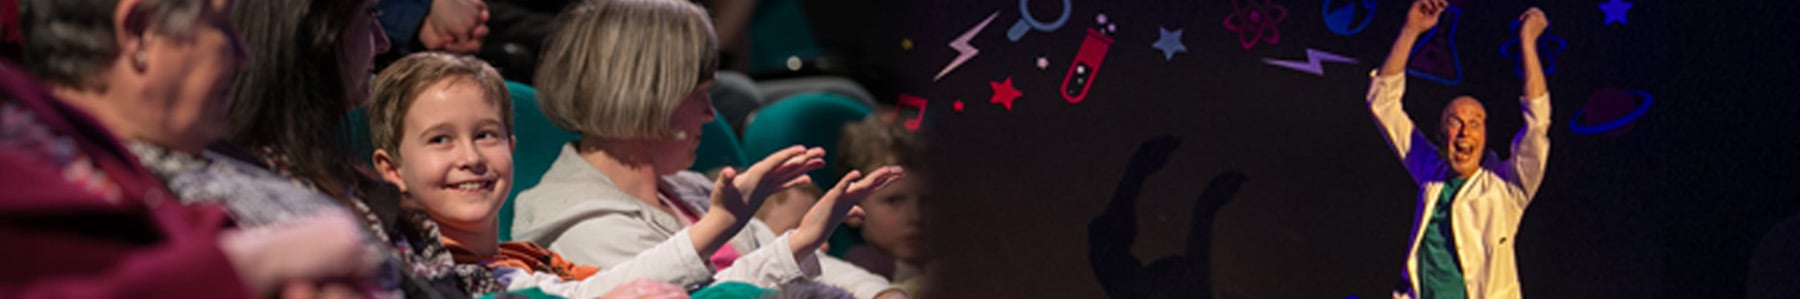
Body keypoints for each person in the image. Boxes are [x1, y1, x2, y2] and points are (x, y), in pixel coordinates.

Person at [511, 0, 907, 298]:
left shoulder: (687, 189)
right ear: (646, 98)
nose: (710, 113)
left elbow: (809, 265)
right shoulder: (580, 224)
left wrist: (882, 293)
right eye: (699, 95)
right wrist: (793, 244)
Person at [8, 0, 376, 296]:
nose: (243, 55)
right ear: (139, 32)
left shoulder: (105, 160)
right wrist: (248, 268)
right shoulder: (27, 163)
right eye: (221, 25)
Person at [225, 0, 485, 296]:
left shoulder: (330, 177)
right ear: (315, 32)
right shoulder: (271, 201)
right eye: (369, 14)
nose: (384, 42)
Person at [1368, 1, 1552, 298]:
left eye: (1475, 123)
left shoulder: (1506, 188)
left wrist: (1528, 42)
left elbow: (1537, 125)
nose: (1465, 131)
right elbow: (1382, 104)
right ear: (1443, 134)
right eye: (1455, 122)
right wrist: (1411, 30)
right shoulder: (1431, 170)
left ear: (1485, 135)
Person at [832, 116, 929, 296]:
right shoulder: (859, 271)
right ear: (852, 208)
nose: (916, 217)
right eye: (893, 201)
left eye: (927, 201)